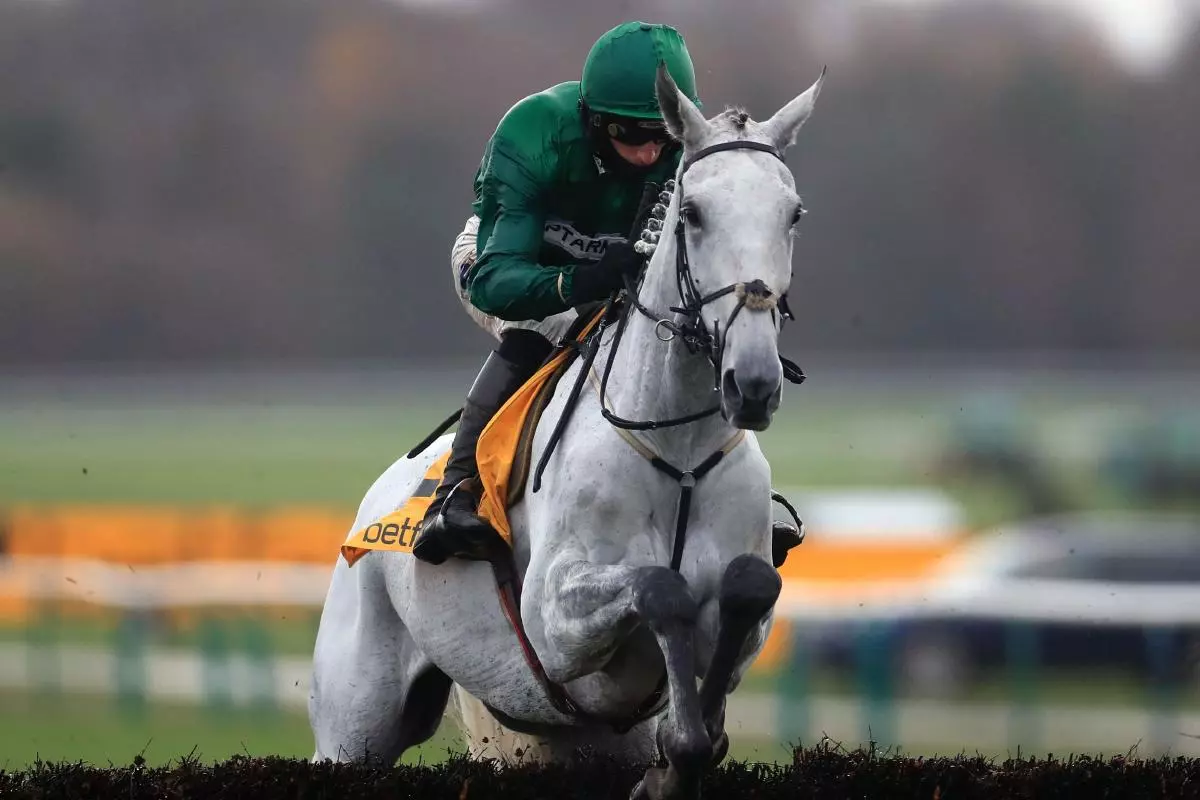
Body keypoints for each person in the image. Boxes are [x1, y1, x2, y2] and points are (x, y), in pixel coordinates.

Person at [412, 21, 698, 565]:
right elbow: (498, 282)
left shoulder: (685, 147)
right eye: (631, 136)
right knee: (548, 327)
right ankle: (456, 490)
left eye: (662, 137)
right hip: (504, 261)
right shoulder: (533, 131)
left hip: (613, 273)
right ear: (593, 121)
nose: (647, 154)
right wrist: (577, 282)